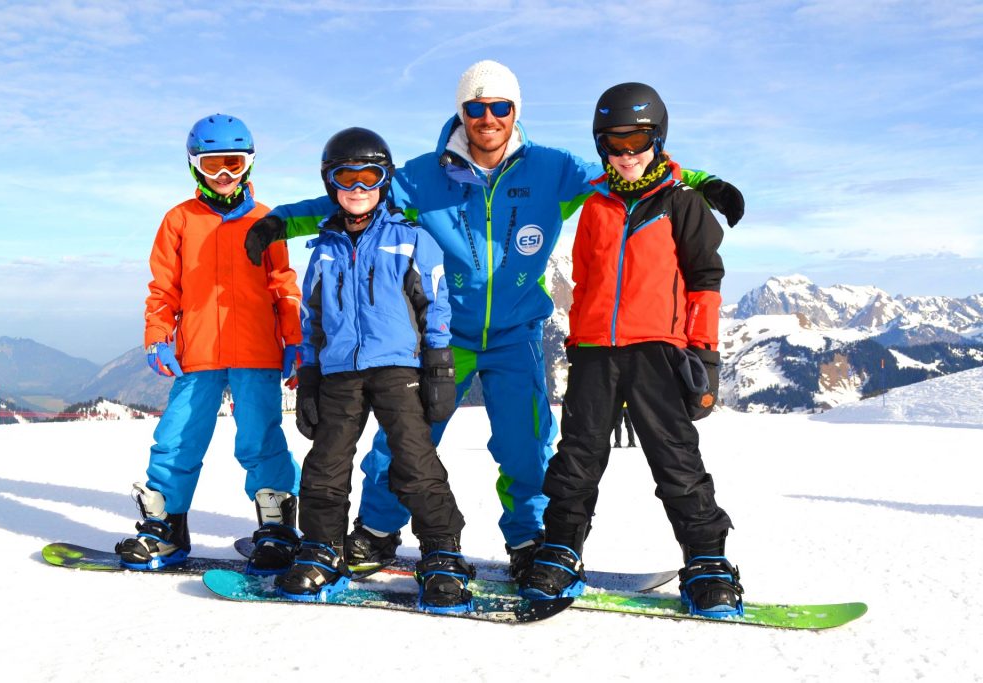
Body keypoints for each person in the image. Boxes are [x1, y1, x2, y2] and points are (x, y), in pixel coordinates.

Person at [243, 60, 744, 580]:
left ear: (514, 111)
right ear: (462, 112)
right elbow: (355, 197)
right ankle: (375, 531)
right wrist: (281, 221)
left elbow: (631, 170)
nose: (488, 118)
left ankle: (528, 539)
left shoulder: (554, 170)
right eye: (476, 108)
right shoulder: (421, 175)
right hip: (444, 336)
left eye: (500, 107)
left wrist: (706, 183)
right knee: (405, 441)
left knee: (525, 445)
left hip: (517, 334)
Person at [518, 83, 743, 618]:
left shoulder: (683, 202)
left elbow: (705, 280)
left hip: (658, 354)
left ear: (658, 138)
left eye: (638, 140)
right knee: (576, 460)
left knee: (677, 462)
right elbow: (590, 279)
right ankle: (562, 549)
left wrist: (705, 357)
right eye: (615, 143)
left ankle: (707, 559)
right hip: (596, 352)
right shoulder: (594, 202)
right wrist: (578, 341)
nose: (627, 153)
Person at [274, 128, 472, 613]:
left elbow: (435, 305)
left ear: (385, 182)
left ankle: (442, 553)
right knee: (325, 466)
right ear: (330, 183)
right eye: (347, 177)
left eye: (370, 177)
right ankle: (323, 548)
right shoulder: (323, 248)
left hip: (397, 368)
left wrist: (439, 366)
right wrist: (311, 373)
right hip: (340, 371)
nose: (359, 188)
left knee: (412, 462)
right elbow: (313, 315)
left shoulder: (410, 239)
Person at [115, 114, 303, 575]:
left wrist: (295, 340)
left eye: (234, 164)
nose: (224, 176)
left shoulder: (266, 221)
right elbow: (163, 288)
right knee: (177, 438)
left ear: (249, 165)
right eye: (214, 164)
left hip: (257, 351)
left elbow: (284, 284)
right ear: (194, 166)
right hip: (197, 353)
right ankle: (166, 529)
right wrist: (158, 335)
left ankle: (277, 530)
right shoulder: (180, 220)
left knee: (261, 439)